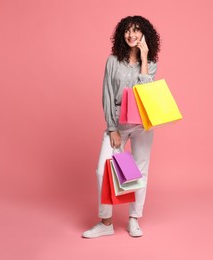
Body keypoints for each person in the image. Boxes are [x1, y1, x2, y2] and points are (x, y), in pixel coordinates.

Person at [82, 15, 161, 238]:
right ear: (121, 34)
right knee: (103, 170)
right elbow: (106, 94)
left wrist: (145, 57)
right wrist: (112, 127)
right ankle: (105, 223)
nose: (131, 35)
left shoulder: (151, 63)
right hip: (117, 122)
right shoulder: (112, 61)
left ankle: (134, 220)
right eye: (127, 30)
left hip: (142, 123)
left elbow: (145, 93)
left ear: (144, 34)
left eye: (136, 30)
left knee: (139, 172)